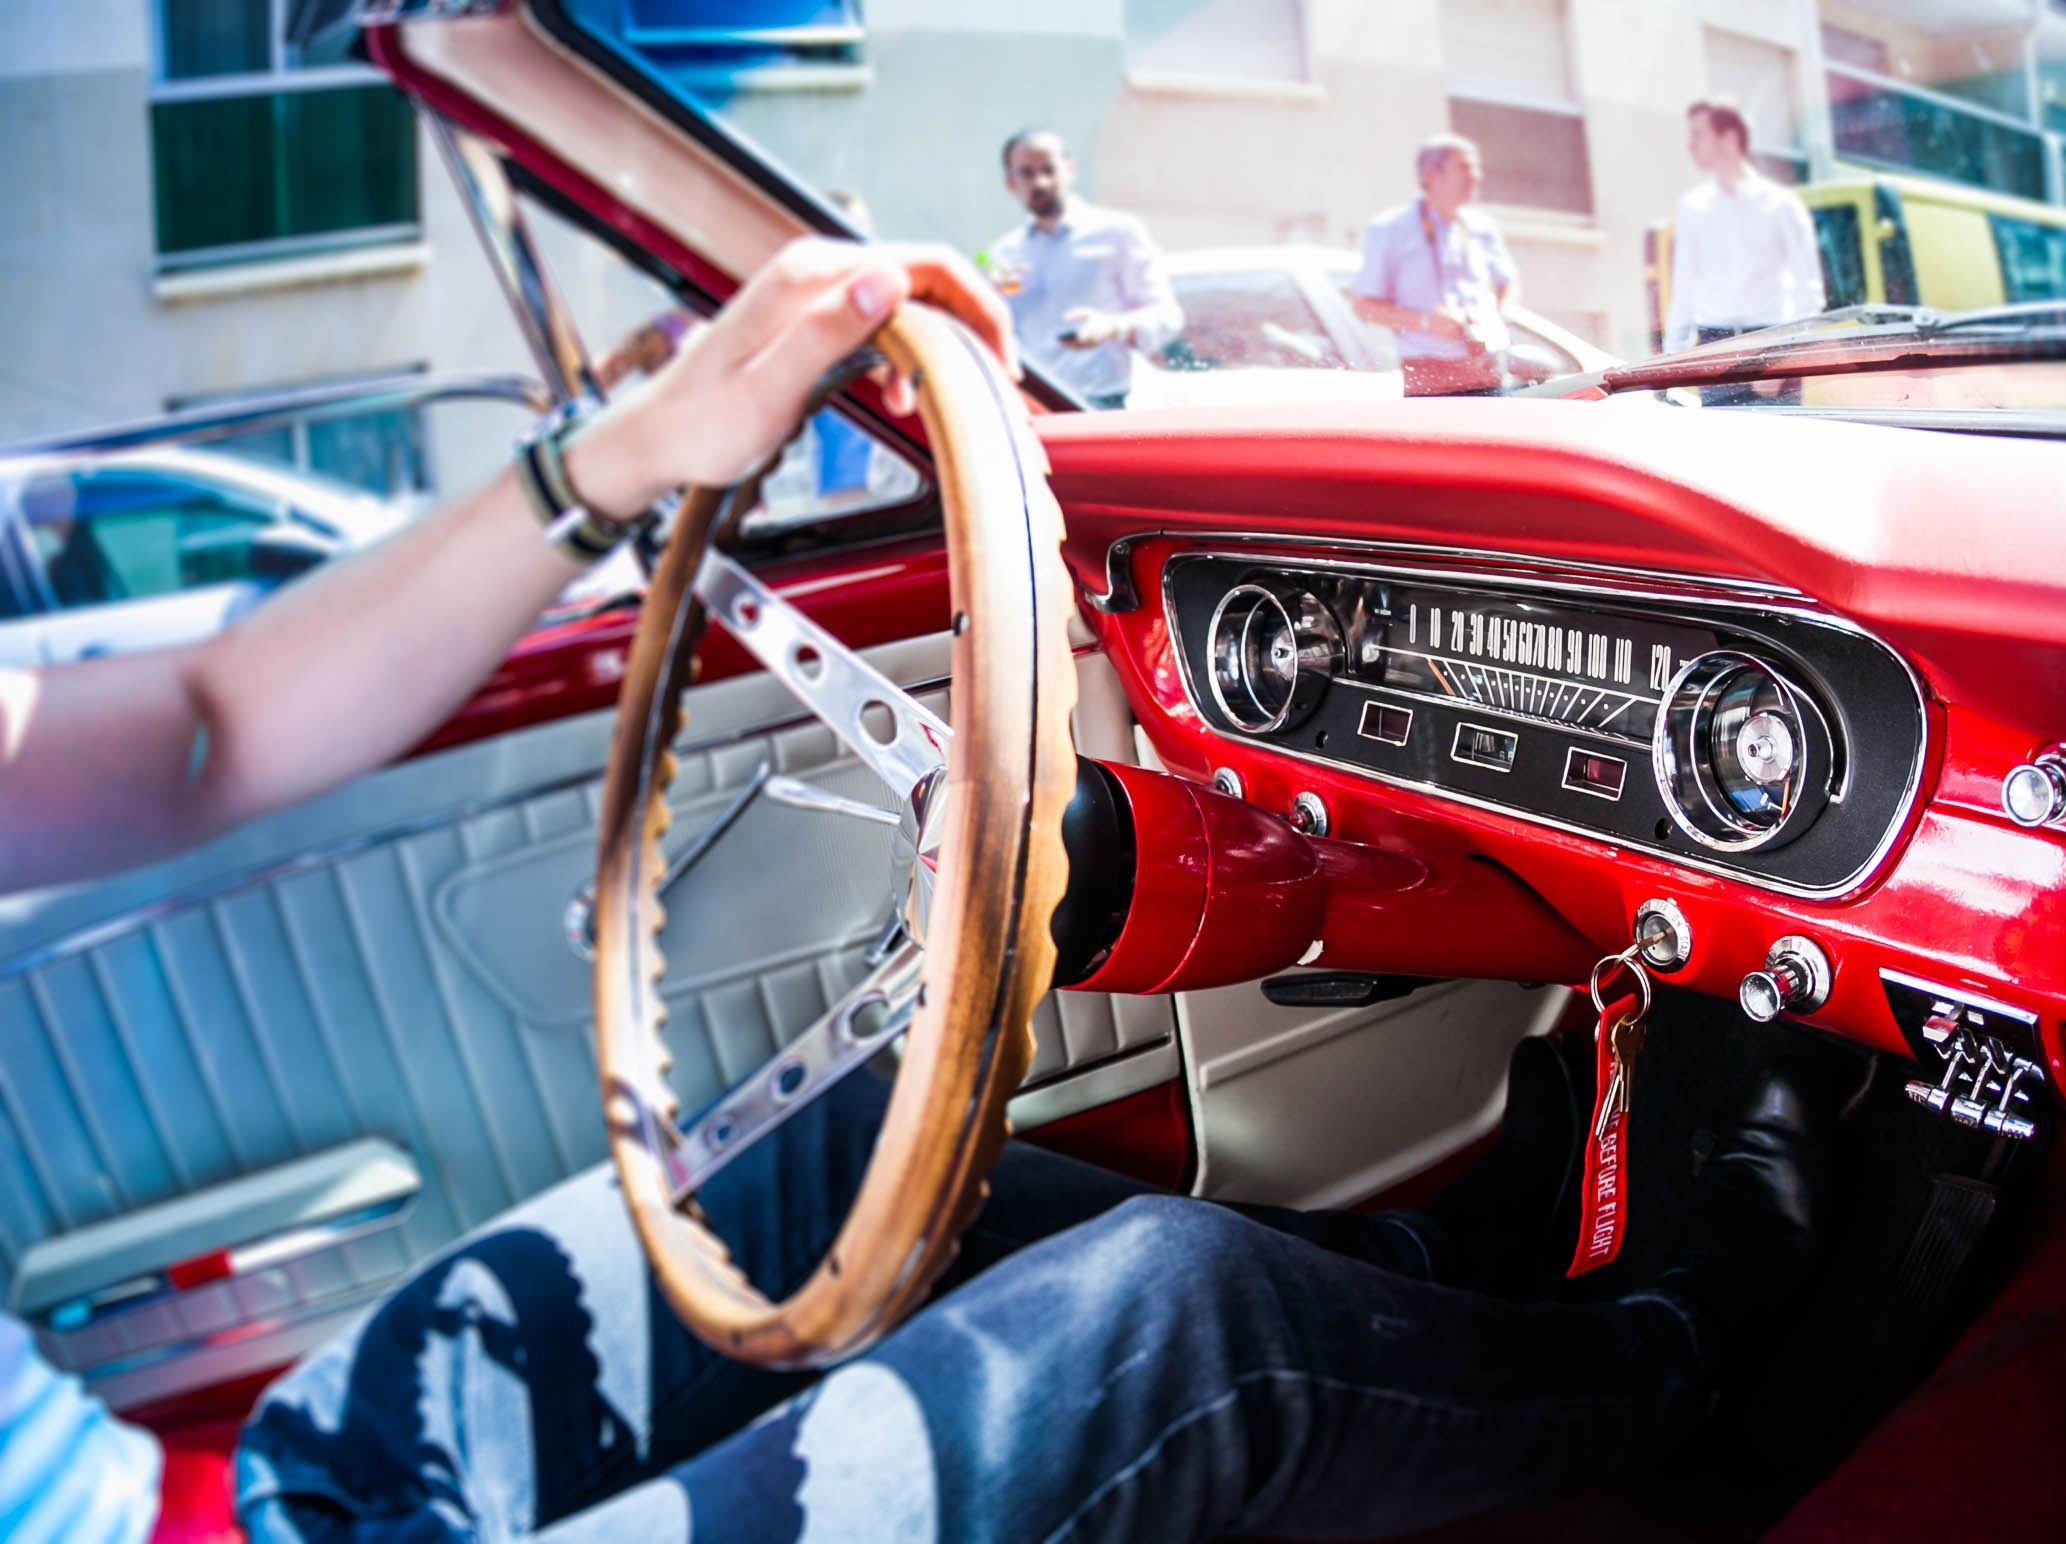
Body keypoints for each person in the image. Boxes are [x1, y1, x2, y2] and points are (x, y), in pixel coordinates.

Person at [0, 239, 1827, 1544]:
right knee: (1175, 1321)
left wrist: (627, 451)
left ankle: (1461, 1265)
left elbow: (203, 730)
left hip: (285, 1485)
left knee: (867, 1151)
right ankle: (1690, 1347)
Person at [984, 128, 1182, 410]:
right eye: (1027, 173)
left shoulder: (1118, 233)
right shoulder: (1003, 253)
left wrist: (1114, 326)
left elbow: (1168, 315)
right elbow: (999, 334)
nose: (1040, 182)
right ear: (1010, 182)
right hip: (1032, 405)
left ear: (1070, 170)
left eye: (1049, 169)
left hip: (1106, 402)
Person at [1350, 133, 1520, 394]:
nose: (1476, 177)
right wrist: (1427, 322)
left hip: (1487, 363)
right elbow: (1364, 308)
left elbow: (1507, 282)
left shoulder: (1482, 227)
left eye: (1476, 168)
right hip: (1430, 370)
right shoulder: (1390, 228)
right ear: (1431, 175)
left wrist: (1491, 319)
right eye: (1464, 168)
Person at [1661, 97, 1826, 357]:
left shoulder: (1782, 204)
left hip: (1771, 337)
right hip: (1713, 342)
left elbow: (1808, 289)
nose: (1690, 145)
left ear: (1729, 138)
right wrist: (1672, 353)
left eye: (1699, 134)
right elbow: (1684, 286)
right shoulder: (1692, 207)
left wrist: (1788, 352)